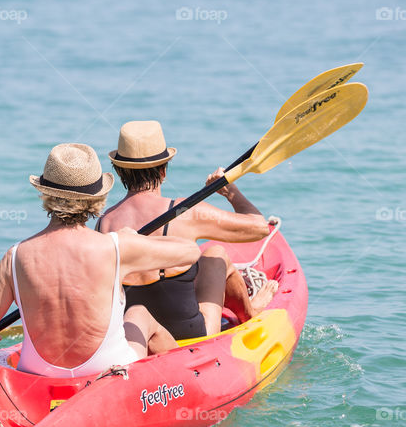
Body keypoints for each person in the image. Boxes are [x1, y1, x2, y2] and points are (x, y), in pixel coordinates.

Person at [0, 143, 201, 378]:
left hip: (40, 374)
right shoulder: (116, 246)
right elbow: (191, 252)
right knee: (139, 314)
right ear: (96, 198)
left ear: (46, 192)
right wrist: (133, 239)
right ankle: (189, 379)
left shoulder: (14, 257)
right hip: (106, 369)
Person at [97, 121, 278, 340]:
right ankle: (250, 311)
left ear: (120, 171)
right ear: (163, 170)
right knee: (215, 255)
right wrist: (229, 191)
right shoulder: (183, 211)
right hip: (188, 334)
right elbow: (259, 227)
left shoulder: (103, 223)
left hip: (136, 334)